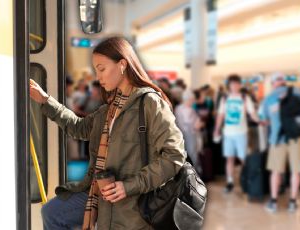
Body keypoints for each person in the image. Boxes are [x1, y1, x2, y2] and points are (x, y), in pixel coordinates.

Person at [30, 36, 187, 230]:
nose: (98, 77)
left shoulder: (150, 103)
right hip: (102, 197)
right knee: (53, 212)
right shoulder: (109, 109)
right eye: (96, 69)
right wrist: (46, 101)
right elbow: (79, 127)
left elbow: (174, 155)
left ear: (122, 64)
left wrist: (128, 186)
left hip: (134, 204)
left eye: (102, 68)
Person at [259, 73, 300, 213]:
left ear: (273, 83)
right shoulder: (297, 92)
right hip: (297, 137)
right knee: (296, 171)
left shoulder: (268, 98)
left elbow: (265, 120)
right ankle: (292, 202)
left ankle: (274, 202)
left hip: (277, 137)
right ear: (284, 81)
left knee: (275, 171)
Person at [213, 74, 258, 193]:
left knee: (243, 158)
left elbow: (252, 113)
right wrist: (217, 129)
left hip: (241, 133)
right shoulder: (225, 99)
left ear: (239, 85)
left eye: (236, 83)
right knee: (229, 158)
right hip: (228, 133)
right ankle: (230, 182)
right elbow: (221, 115)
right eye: (232, 84)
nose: (234, 86)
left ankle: (245, 179)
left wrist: (260, 120)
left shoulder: (244, 98)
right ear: (229, 85)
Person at [175, 90, 204, 173]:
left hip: (181, 136)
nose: (193, 101)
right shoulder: (189, 110)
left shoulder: (178, 108)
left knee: (185, 156)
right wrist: (200, 124)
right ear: (189, 99)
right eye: (192, 99)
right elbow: (194, 126)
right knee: (193, 156)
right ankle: (194, 177)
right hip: (191, 136)